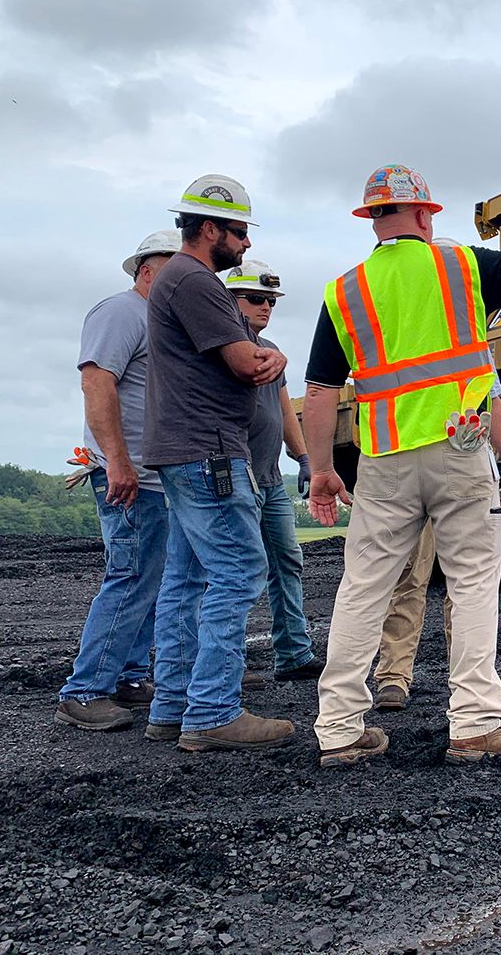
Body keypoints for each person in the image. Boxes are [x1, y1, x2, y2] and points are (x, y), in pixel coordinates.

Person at [303, 163, 501, 768]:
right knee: (470, 581)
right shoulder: (462, 267)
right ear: (425, 214)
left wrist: (320, 470)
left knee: (363, 588)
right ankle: (473, 724)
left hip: (385, 457)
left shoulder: (346, 292)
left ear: (372, 220)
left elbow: (317, 393)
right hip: (460, 448)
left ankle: (338, 727)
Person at [142, 175, 295, 753]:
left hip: (180, 450)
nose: (246, 245)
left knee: (185, 579)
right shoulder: (197, 282)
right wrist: (274, 357)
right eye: (238, 232)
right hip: (209, 448)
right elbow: (246, 365)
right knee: (237, 572)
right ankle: (211, 712)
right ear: (210, 229)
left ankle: (173, 704)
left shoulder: (176, 282)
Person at [55, 230, 180, 732]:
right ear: (148, 270)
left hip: (152, 474)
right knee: (129, 577)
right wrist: (118, 462)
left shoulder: (157, 321)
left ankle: (128, 676)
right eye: (176, 267)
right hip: (127, 473)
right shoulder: (121, 313)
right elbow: (96, 382)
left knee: (148, 578)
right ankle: (84, 691)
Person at [371, 369, 501, 712]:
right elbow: (492, 397)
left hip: (431, 466)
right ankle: (418, 679)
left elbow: (490, 397)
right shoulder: (463, 332)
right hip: (436, 466)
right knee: (454, 581)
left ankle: (405, 676)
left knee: (422, 579)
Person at [224, 259, 325, 682]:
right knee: (233, 571)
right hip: (234, 478)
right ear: (231, 300)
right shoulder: (225, 350)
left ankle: (293, 653)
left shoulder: (268, 352)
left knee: (287, 560)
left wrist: (303, 457)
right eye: (257, 299)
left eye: (271, 301)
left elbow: (284, 409)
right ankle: (225, 662)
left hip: (268, 480)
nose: (266, 307)